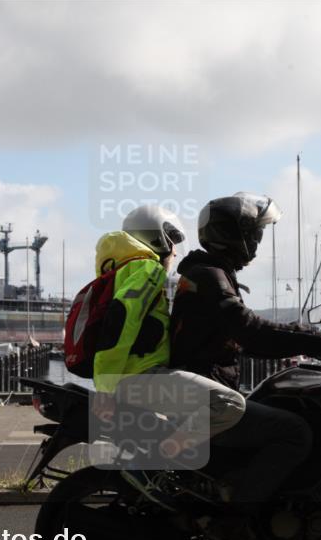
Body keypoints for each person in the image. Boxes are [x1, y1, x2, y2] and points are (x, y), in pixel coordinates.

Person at [170, 192, 321, 540]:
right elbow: (250, 330)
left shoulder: (209, 272)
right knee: (294, 433)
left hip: (205, 387)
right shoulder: (210, 277)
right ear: (235, 235)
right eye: (256, 233)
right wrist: (320, 341)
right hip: (203, 396)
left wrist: (307, 346)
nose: (259, 242)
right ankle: (232, 522)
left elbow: (240, 339)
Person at [91, 206, 246, 507]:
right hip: (137, 378)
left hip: (132, 375)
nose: (175, 254)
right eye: (173, 243)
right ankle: (150, 466)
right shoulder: (146, 269)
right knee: (228, 405)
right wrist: (108, 386)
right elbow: (122, 322)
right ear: (160, 239)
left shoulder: (122, 269)